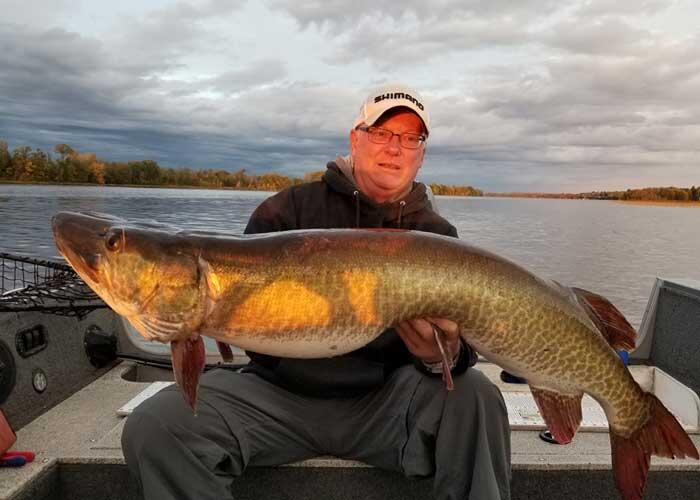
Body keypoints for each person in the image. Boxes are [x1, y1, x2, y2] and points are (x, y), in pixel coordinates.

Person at [122, 84, 512, 500]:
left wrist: (441, 357)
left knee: (477, 397)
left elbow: (468, 344)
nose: (394, 148)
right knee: (155, 426)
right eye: (381, 133)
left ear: (421, 154)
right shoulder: (285, 211)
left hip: (387, 403)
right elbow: (221, 304)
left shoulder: (436, 235)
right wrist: (171, 315)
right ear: (355, 139)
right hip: (275, 397)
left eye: (410, 138)